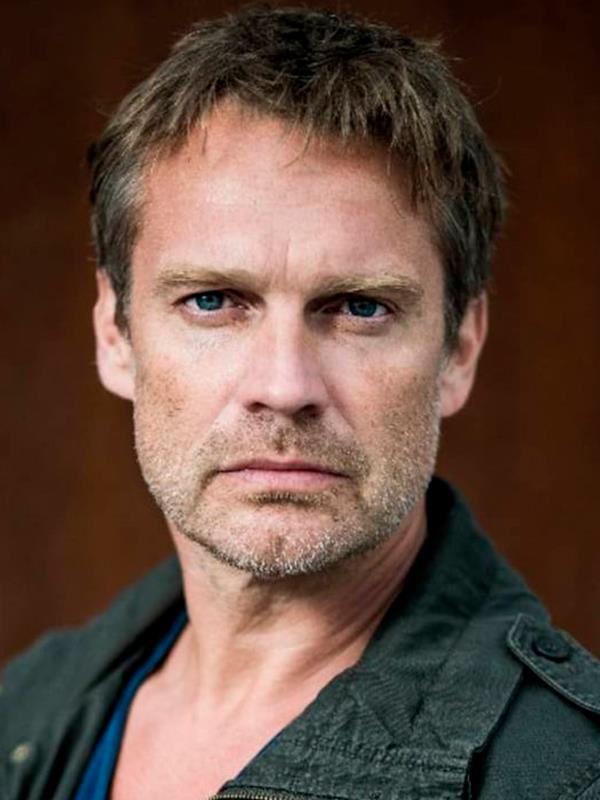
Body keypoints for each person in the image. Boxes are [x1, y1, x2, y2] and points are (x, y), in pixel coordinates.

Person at [2, 5, 599, 799]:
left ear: (459, 348)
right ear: (115, 334)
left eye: (359, 308)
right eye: (213, 301)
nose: (284, 388)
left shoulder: (566, 776)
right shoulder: (22, 714)